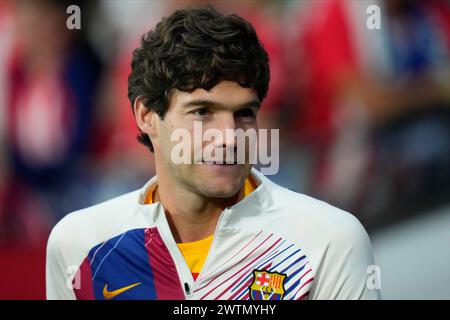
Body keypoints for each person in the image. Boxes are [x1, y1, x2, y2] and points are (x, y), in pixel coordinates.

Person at [46, 5, 380, 300]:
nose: (230, 137)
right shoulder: (79, 245)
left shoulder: (330, 241)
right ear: (147, 116)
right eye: (202, 112)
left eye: (244, 114)